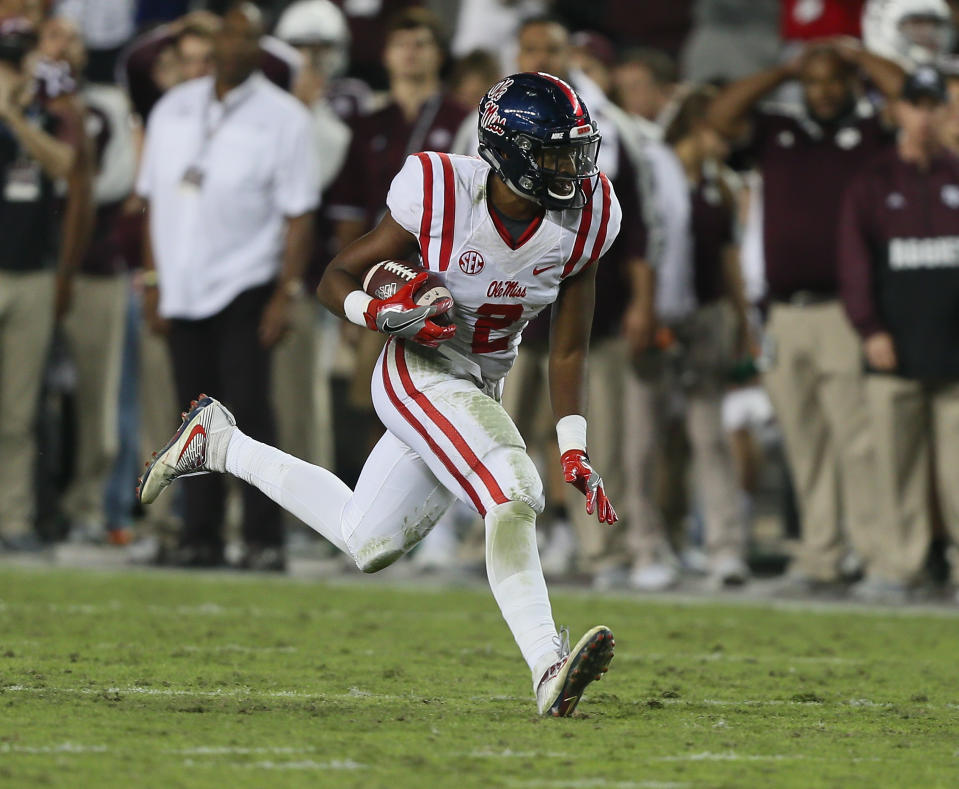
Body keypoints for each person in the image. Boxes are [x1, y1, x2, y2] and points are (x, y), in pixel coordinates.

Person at [138, 72, 620, 716]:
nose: (572, 168)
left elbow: (567, 346)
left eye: (576, 150)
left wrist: (574, 447)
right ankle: (546, 665)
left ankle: (220, 443)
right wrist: (379, 313)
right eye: (556, 153)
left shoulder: (588, 217)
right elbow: (336, 275)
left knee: (368, 542)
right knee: (514, 490)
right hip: (417, 369)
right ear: (509, 152)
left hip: (479, 383)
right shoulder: (442, 190)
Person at [707, 40, 903, 590]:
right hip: (783, 313)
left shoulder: (869, 133)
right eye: (813, 82)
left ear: (850, 82)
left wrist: (861, 58)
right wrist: (783, 70)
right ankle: (820, 556)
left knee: (858, 441)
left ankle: (878, 558)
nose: (822, 91)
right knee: (804, 438)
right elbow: (720, 116)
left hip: (847, 308)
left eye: (833, 81)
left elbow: (908, 96)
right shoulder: (777, 129)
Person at [136, 2, 319, 570]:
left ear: (260, 46)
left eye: (248, 37)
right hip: (182, 283)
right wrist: (151, 280)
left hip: (245, 282)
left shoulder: (285, 116)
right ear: (214, 42)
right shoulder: (172, 108)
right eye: (229, 35)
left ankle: (264, 539)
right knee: (187, 418)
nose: (236, 46)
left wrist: (283, 294)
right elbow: (151, 202)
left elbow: (300, 214)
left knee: (251, 416)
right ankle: (201, 534)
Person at [620, 86, 751, 590]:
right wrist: (644, 304)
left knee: (709, 435)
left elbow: (728, 258)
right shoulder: (651, 170)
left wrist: (742, 322)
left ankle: (724, 547)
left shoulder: (720, 181)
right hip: (656, 312)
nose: (732, 140)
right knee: (643, 440)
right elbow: (638, 243)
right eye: (725, 130)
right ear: (700, 122)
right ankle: (645, 546)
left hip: (704, 315)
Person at [838, 65, 959, 602]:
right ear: (899, 112)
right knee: (894, 467)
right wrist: (869, 329)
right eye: (916, 105)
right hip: (893, 349)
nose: (925, 116)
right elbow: (854, 262)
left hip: (954, 353)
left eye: (935, 105)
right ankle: (899, 566)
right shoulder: (873, 181)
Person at [0, 17, 90, 551]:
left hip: (32, 273)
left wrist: (14, 117)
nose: (13, 71)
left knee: (18, 411)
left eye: (19, 61)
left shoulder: (44, 120)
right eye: (7, 61)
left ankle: (12, 519)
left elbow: (63, 167)